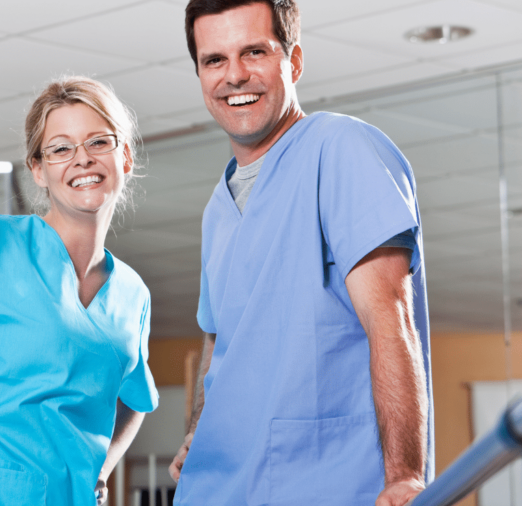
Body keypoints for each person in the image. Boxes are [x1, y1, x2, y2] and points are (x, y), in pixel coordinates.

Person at [167, 1, 431, 505]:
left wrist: (404, 475)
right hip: (220, 486)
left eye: (254, 52)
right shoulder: (217, 207)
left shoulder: (342, 150)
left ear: (295, 61)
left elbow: (389, 318)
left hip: (325, 482)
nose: (235, 75)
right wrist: (201, 432)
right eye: (214, 60)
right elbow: (220, 342)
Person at [0, 76, 157, 505]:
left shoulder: (132, 294)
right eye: (61, 148)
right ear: (39, 170)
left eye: (99, 142)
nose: (82, 160)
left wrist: (101, 469)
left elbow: (136, 398)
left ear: (126, 157)